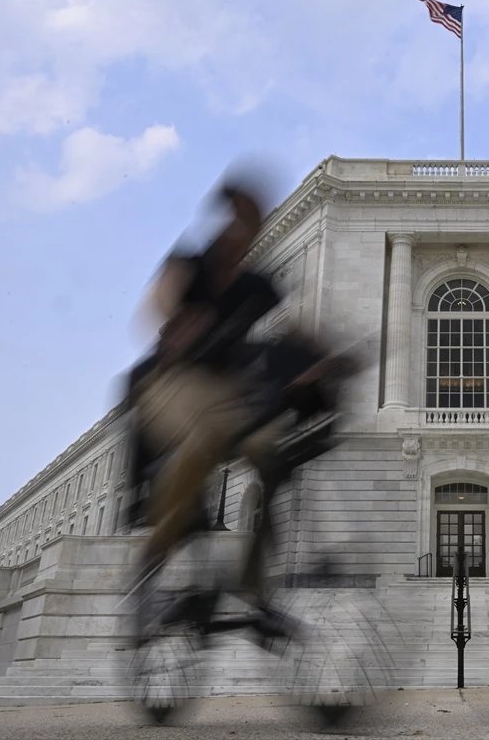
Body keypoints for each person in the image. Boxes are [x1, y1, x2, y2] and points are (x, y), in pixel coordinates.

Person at [126, 178, 338, 626]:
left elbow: (297, 327)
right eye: (240, 218)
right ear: (224, 220)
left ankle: (254, 589)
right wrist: (179, 323)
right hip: (174, 381)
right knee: (205, 438)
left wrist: (324, 360)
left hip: (231, 393)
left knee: (275, 462)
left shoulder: (257, 284)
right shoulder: (191, 264)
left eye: (252, 221)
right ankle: (156, 553)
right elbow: (160, 303)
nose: (244, 229)